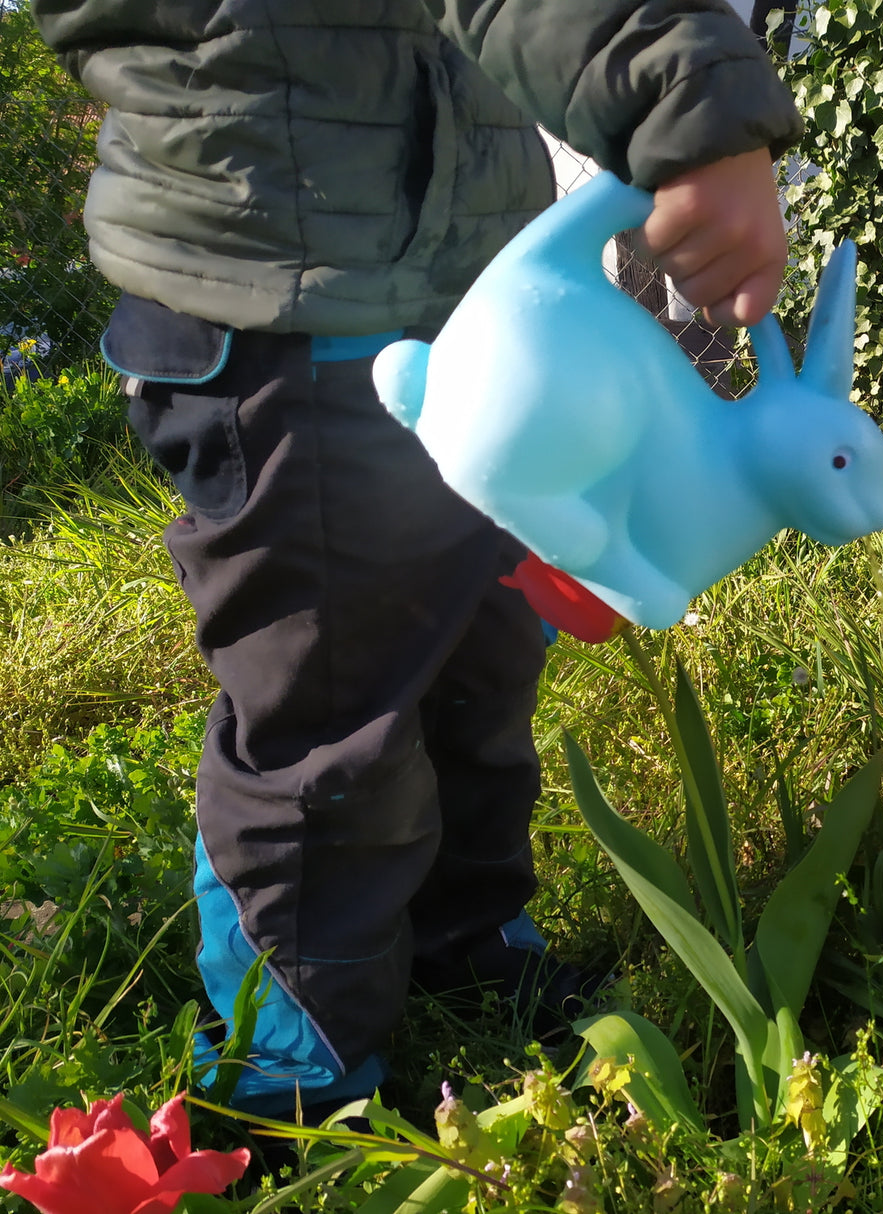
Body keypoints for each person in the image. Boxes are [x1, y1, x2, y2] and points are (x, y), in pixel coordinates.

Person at [31, 0, 803, 1115]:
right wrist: (686, 107)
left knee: (479, 653)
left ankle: (464, 936)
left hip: (460, 307)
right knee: (333, 712)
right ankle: (292, 1073)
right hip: (296, 305)